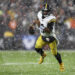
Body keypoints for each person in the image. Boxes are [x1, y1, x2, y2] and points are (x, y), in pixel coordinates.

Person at [29, 3, 64, 72]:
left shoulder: (51, 18)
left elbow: (48, 30)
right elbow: (37, 20)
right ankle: (43, 55)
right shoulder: (39, 14)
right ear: (42, 11)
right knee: (37, 48)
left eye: (46, 11)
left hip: (51, 37)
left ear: (49, 11)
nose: (45, 12)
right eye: (44, 11)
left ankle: (61, 64)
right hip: (43, 36)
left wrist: (40, 26)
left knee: (55, 53)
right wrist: (32, 25)